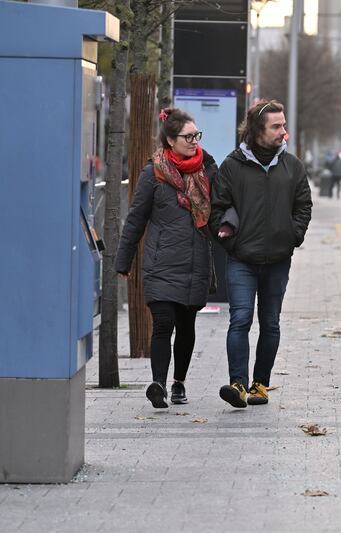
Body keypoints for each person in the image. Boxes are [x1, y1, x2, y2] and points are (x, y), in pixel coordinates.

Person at [210, 99, 313, 408]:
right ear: (256, 131)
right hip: (242, 259)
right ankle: (237, 384)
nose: (284, 131)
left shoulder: (292, 166)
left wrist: (292, 236)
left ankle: (260, 385)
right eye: (276, 126)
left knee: (270, 324)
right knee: (240, 319)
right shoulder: (232, 165)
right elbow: (217, 209)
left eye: (283, 125)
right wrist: (232, 244)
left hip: (278, 260)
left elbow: (303, 206)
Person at [115, 108, 217, 409]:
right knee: (163, 323)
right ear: (170, 140)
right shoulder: (153, 173)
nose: (194, 141)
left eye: (197, 135)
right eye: (188, 136)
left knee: (187, 327)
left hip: (195, 261)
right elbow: (135, 219)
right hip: (161, 263)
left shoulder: (207, 169)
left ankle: (179, 383)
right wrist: (123, 261)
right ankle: (158, 382)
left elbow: (222, 206)